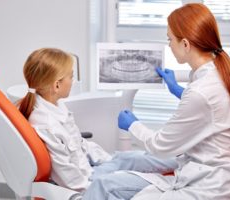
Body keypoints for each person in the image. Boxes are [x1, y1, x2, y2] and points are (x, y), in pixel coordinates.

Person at [84, 3, 230, 200]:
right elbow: (212, 109)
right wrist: (178, 91)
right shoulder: (214, 75)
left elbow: (160, 146)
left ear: (185, 44)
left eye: (170, 39)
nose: (168, 45)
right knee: (107, 182)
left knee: (109, 186)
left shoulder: (201, 90)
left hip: (209, 188)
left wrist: (132, 125)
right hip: (209, 175)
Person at [18, 47, 176, 194]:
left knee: (132, 157)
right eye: (71, 76)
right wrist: (105, 183)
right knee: (138, 180)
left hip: (91, 169)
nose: (73, 81)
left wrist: (110, 160)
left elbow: (78, 143)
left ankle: (183, 163)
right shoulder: (47, 124)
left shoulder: (56, 105)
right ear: (57, 85)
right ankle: (178, 180)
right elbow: (70, 178)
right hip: (87, 182)